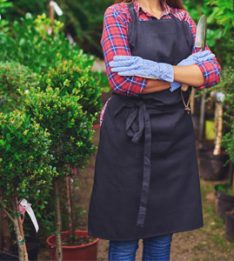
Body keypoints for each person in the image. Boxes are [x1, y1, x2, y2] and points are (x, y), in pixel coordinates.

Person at [88, 0, 221, 260]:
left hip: (172, 135)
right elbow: (122, 80)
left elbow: (211, 71)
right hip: (128, 134)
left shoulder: (182, 18)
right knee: (124, 235)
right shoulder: (118, 15)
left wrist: (158, 70)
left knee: (161, 235)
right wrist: (182, 74)